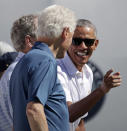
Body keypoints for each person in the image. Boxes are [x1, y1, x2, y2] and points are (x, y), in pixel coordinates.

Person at [10, 5, 76, 131]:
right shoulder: (45, 60)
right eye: (72, 36)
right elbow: (34, 110)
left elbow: (17, 119)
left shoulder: (23, 62)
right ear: (65, 32)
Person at [57, 19, 121, 131]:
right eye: (76, 41)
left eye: (89, 42)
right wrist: (101, 90)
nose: (83, 46)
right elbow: (69, 114)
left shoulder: (88, 72)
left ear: (95, 44)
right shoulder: (57, 70)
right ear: (68, 41)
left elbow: (79, 122)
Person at [0, 14, 38, 131]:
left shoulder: (20, 69)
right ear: (29, 41)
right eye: (45, 33)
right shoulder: (22, 72)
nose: (51, 36)